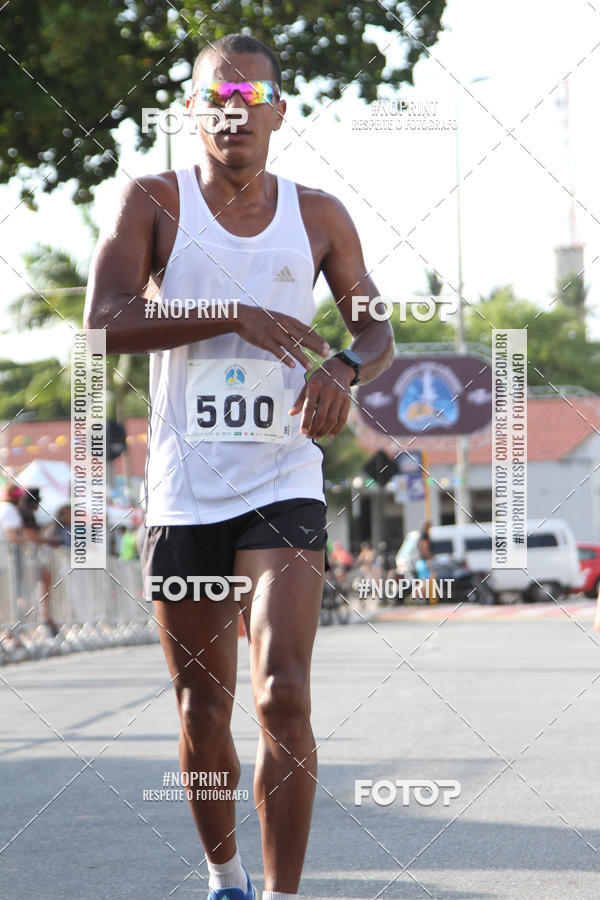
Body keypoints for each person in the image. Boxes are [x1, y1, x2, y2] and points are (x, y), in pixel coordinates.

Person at [84, 33, 393, 900]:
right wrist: (231, 312)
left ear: (278, 112)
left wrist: (343, 369)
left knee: (282, 693)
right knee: (202, 709)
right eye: (218, 99)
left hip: (282, 480)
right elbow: (103, 321)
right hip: (185, 493)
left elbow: (375, 325)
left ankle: (284, 895)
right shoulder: (151, 201)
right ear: (195, 110)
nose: (235, 113)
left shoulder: (321, 214)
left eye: (252, 99)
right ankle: (226, 880)